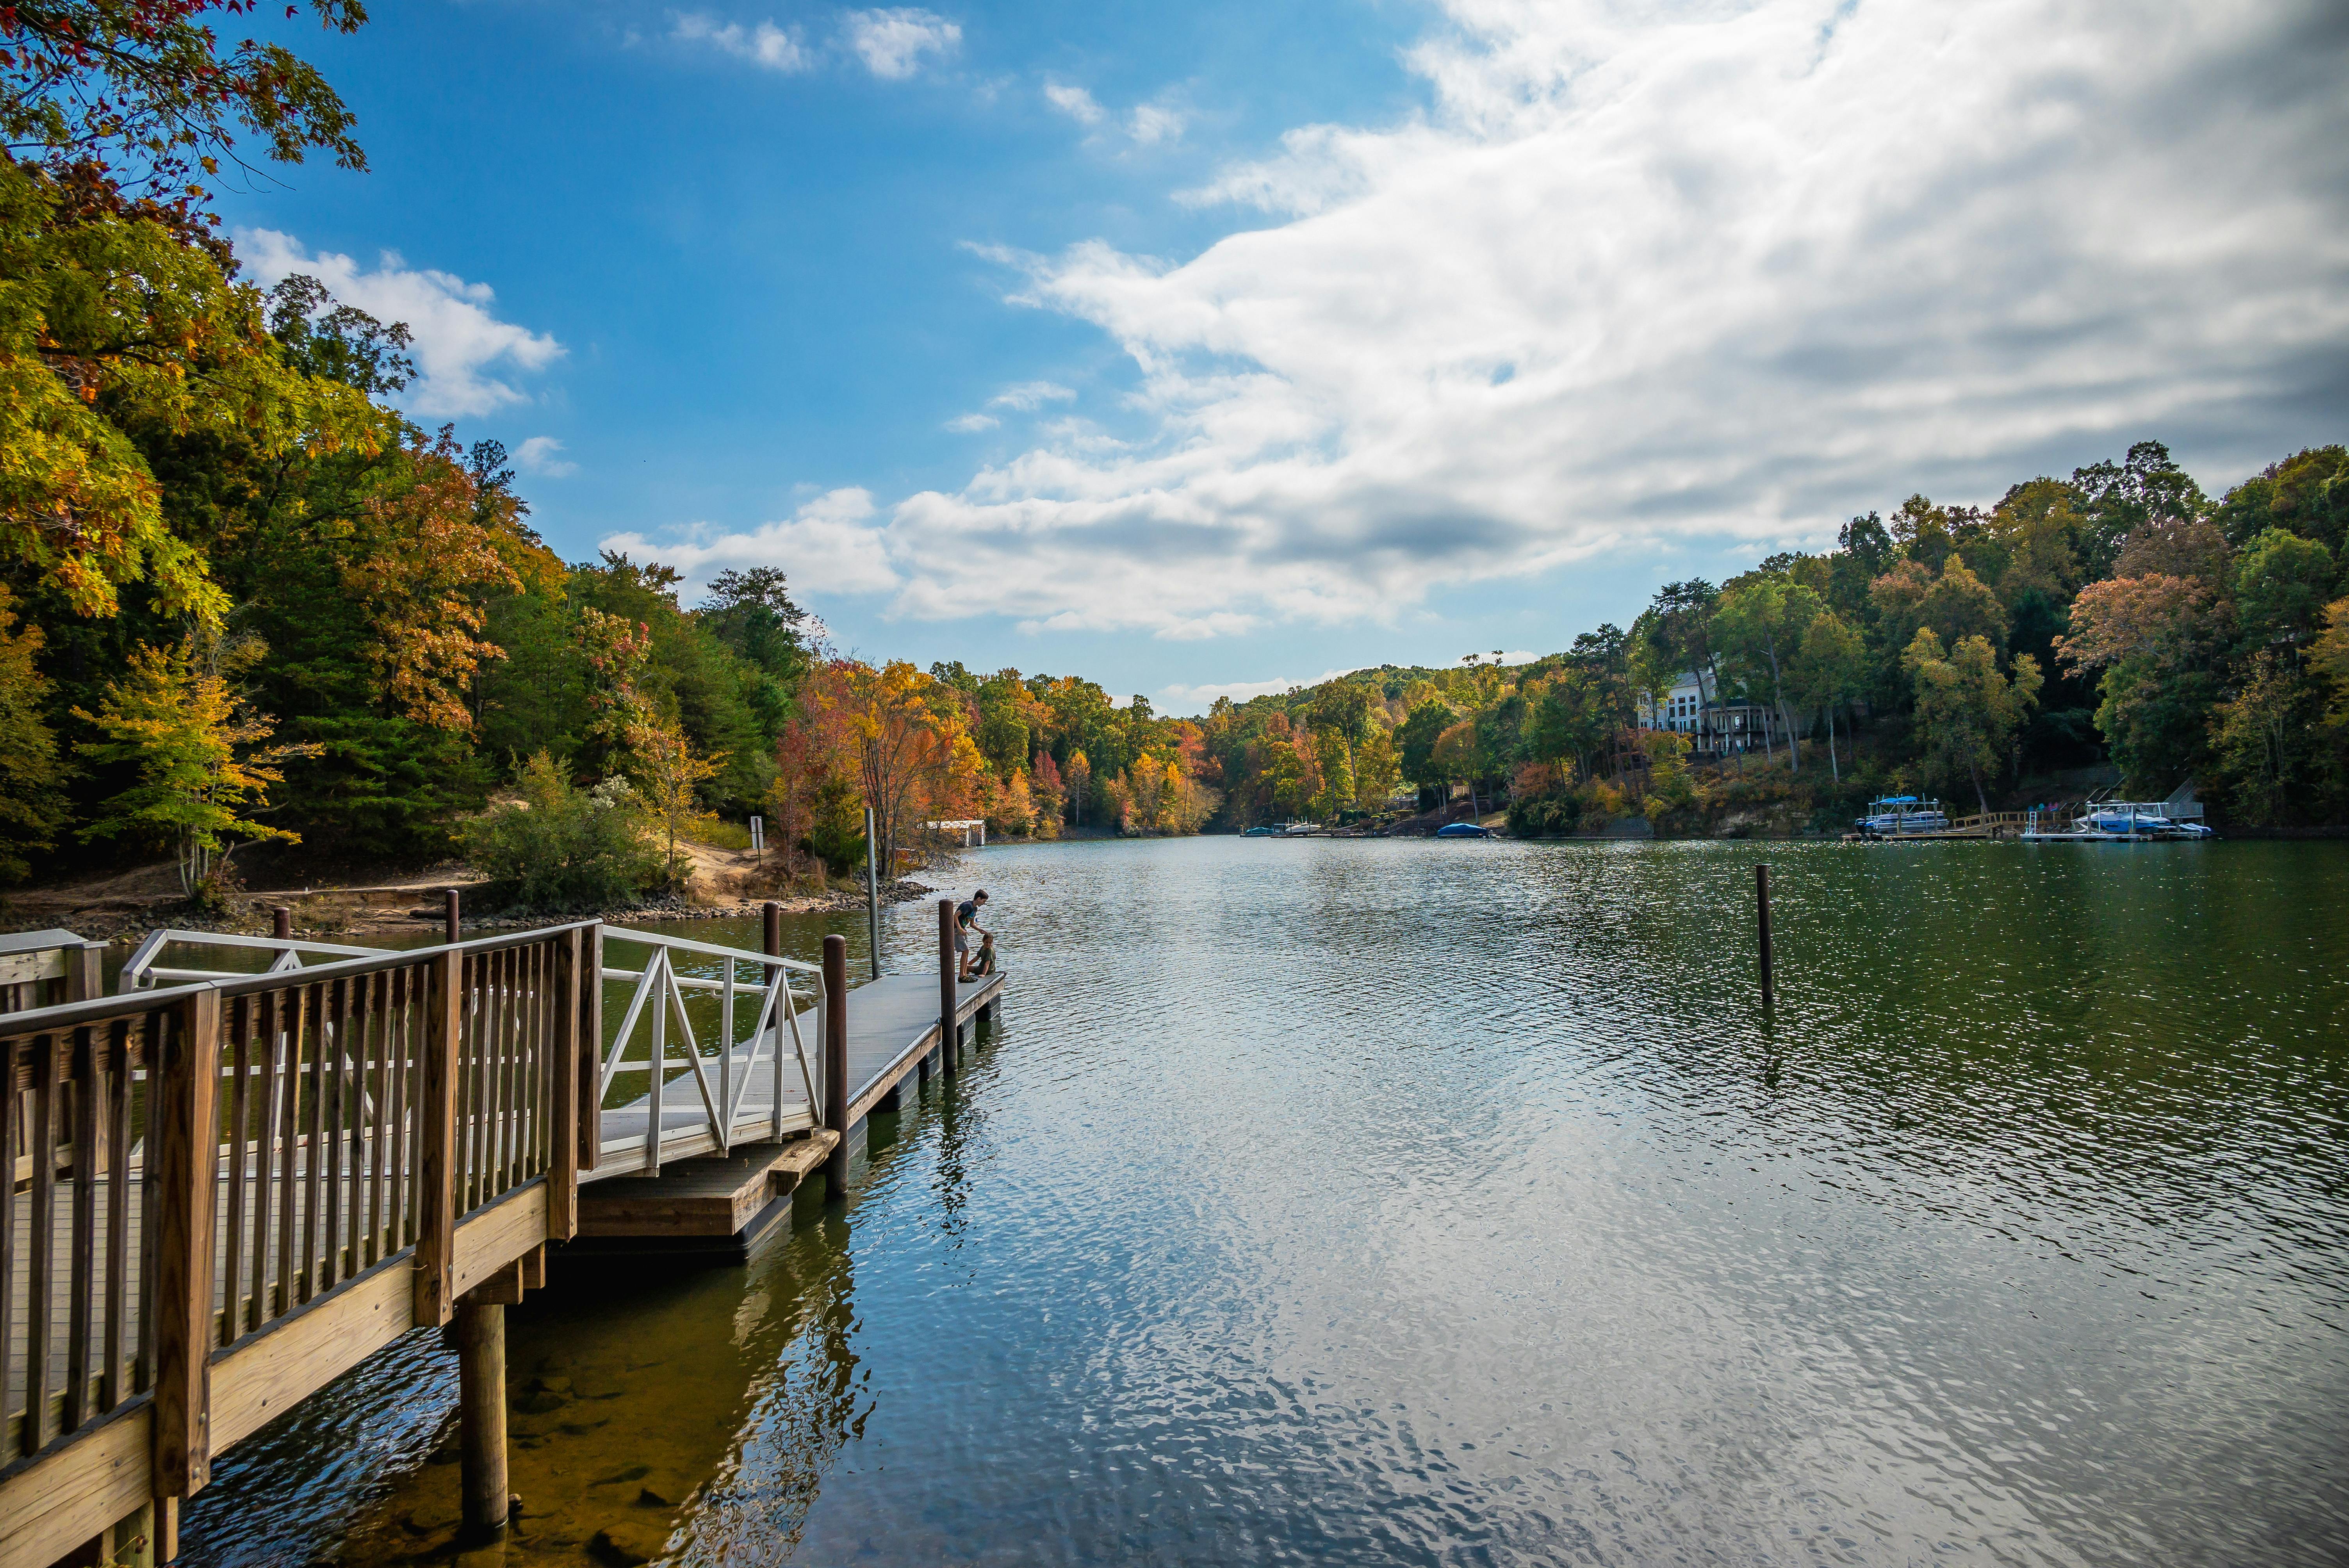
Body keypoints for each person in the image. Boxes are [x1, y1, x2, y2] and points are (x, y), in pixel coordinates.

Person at [956, 889, 990, 981]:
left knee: (967, 951)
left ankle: (965, 975)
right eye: (984, 901)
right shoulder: (968, 906)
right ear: (979, 899)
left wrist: (980, 930)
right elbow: (955, 916)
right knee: (965, 950)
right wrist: (960, 929)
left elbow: (972, 924)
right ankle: (961, 976)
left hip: (963, 929)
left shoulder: (975, 909)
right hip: (957, 929)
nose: (984, 903)